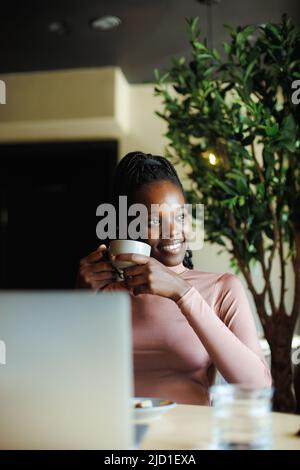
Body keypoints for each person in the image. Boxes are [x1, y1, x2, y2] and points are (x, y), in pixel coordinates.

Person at [77, 151, 272, 405]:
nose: (173, 231)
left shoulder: (222, 289)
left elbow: (257, 387)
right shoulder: (103, 291)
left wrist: (183, 292)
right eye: (154, 220)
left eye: (180, 216)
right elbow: (66, 380)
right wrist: (78, 300)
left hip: (188, 441)